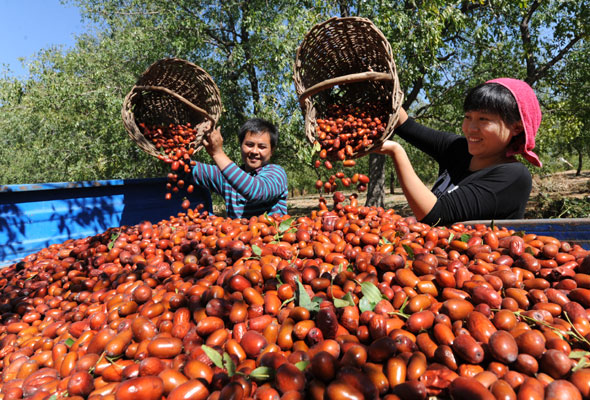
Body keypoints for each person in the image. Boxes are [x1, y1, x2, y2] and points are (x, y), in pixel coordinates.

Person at [374, 78, 542, 226]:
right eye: (468, 117)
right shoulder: (458, 149)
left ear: (516, 128)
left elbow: (435, 215)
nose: (470, 128)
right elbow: (406, 126)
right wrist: (381, 88)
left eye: (483, 119)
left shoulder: (513, 176)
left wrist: (396, 151)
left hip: (476, 261)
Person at [191, 118, 288, 219]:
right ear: (241, 146)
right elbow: (189, 169)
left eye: (262, 147)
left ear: (272, 151)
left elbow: (255, 191)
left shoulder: (277, 173)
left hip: (272, 234)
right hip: (236, 235)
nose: (255, 151)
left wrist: (217, 153)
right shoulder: (227, 176)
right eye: (249, 145)